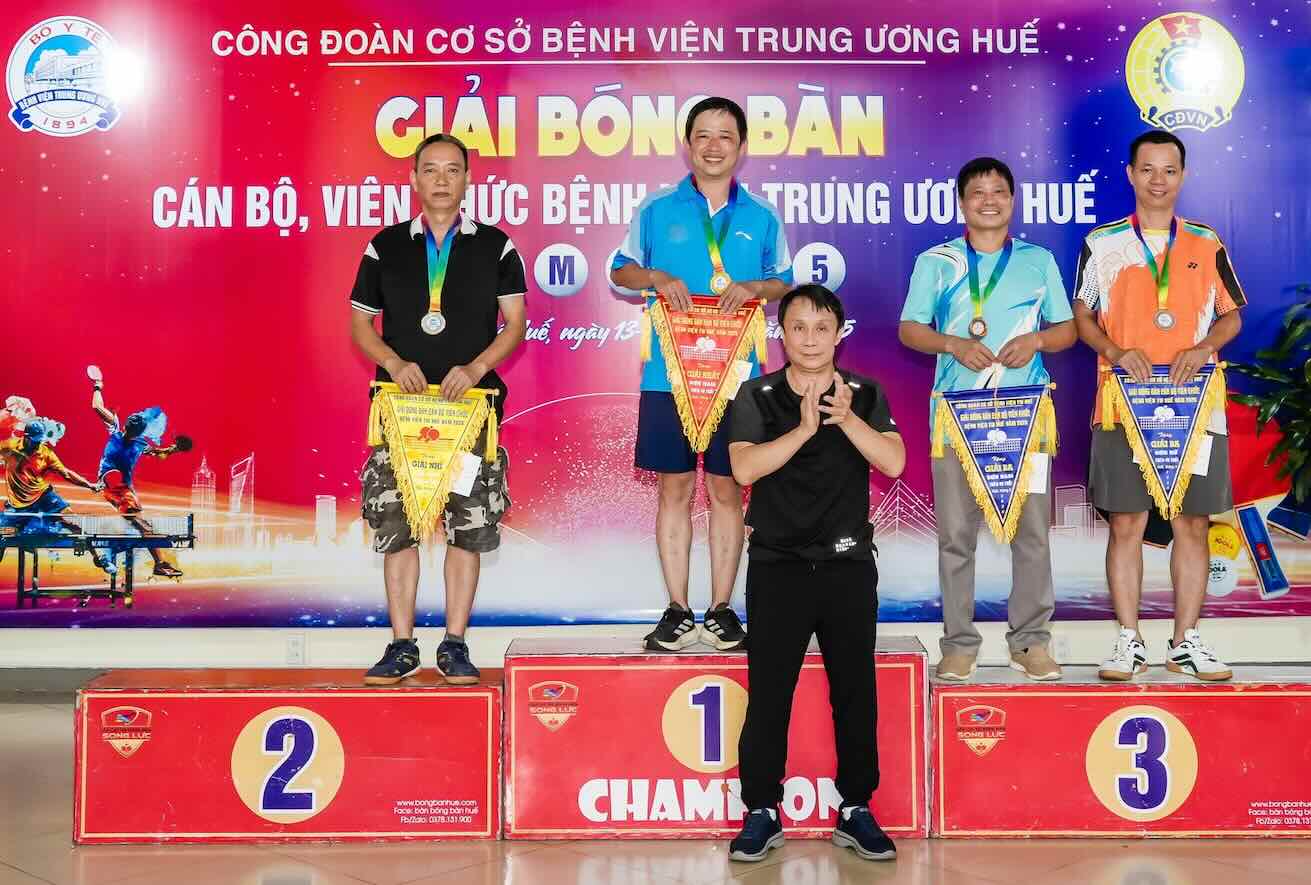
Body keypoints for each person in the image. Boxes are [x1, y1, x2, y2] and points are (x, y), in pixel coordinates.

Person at [726, 284, 905, 863]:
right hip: (777, 567)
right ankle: (760, 810)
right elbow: (745, 469)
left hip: (848, 567)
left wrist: (847, 419)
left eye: (821, 328)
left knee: (855, 693)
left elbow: (895, 461)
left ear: (838, 334)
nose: (809, 339)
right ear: (782, 334)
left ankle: (856, 808)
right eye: (797, 327)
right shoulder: (756, 394)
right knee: (770, 695)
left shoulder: (866, 394)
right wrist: (803, 429)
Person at [610, 96, 793, 652]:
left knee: (726, 489)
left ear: (742, 147)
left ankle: (720, 608)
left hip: (737, 376)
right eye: (703, 137)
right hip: (669, 375)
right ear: (687, 145)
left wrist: (756, 289)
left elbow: (782, 281)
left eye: (726, 137)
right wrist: (656, 277)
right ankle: (676, 608)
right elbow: (620, 271)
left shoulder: (761, 216)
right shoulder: (657, 208)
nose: (714, 147)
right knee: (675, 487)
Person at [350, 133, 527, 686]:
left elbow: (515, 324)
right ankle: (402, 645)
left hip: (470, 411)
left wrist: (475, 369)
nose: (442, 180)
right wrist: (392, 360)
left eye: (454, 170)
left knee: (466, 528)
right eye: (431, 169)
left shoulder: (496, 246)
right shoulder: (385, 246)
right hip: (400, 412)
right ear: (414, 178)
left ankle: (454, 644)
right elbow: (361, 324)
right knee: (398, 527)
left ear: (468, 179)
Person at [1072, 130, 1245, 682]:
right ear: (1130, 173)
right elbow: (1082, 317)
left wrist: (1205, 346)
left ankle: (1187, 641)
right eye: (1147, 169)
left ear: (1183, 176)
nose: (1158, 181)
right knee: (1127, 524)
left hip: (1196, 407)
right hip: (1123, 402)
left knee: (1193, 524)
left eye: (1169, 170)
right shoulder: (1102, 244)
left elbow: (1232, 315)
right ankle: (1128, 641)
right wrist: (1115, 350)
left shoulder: (1205, 242)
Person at [898, 157, 1077, 682]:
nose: (989, 200)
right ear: (963, 202)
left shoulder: (1038, 260)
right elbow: (910, 329)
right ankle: (958, 643)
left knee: (1032, 532)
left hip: (1025, 414)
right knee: (956, 535)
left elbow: (1066, 330)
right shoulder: (937, 261)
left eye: (999, 190)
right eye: (978, 192)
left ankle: (1031, 643)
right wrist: (952, 343)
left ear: (1012, 200)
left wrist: (1038, 340)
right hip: (956, 414)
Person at [89, 368, 189, 578]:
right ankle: (159, 563)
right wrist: (97, 384)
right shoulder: (116, 431)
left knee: (143, 526)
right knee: (144, 525)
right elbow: (96, 406)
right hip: (115, 487)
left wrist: (174, 449)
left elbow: (158, 454)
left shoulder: (129, 437)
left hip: (121, 488)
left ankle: (122, 556)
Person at [1, 418, 103, 537]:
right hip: (17, 503)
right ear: (26, 437)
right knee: (4, 536)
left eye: (40, 440)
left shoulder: (46, 453)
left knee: (70, 519)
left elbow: (66, 473)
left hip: (42, 495)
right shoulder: (10, 446)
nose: (38, 443)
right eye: (35, 441)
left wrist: (89, 485)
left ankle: (97, 554)